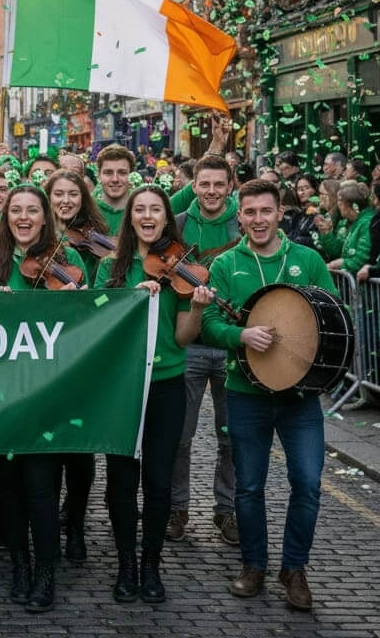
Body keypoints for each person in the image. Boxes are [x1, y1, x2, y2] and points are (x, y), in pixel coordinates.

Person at [199, 180, 337, 611]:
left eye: (265, 211)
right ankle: (253, 565)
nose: (258, 219)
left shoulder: (308, 260)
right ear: (239, 217)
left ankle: (294, 568)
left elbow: (333, 318)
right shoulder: (225, 264)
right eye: (250, 212)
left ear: (280, 214)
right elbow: (208, 328)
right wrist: (240, 334)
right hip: (246, 393)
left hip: (300, 397)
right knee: (249, 487)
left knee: (309, 484)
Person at [0, 183, 89, 612]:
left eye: (32, 211)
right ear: (6, 217)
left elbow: (86, 326)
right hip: (3, 393)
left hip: (48, 391)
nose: (23, 218)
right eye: (15, 210)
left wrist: (81, 305)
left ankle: (45, 571)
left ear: (45, 217)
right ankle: (19, 564)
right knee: (7, 487)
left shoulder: (70, 260)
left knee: (42, 485)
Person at [94, 186, 211, 604]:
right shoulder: (110, 267)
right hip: (121, 385)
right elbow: (96, 328)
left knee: (158, 481)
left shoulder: (181, 268)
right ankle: (125, 564)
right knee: (120, 481)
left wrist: (196, 308)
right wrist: (129, 299)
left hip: (166, 383)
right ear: (129, 219)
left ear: (166, 219)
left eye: (155, 210)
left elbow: (182, 339)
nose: (147, 216)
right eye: (139, 209)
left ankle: (151, 565)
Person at [164, 154, 240, 546]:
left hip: (231, 345)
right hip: (189, 344)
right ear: (193, 185)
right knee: (181, 434)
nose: (211, 191)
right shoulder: (177, 223)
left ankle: (226, 511)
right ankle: (178, 508)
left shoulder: (243, 224)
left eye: (219, 185)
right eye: (204, 184)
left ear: (230, 186)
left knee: (231, 438)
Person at [44, 168, 109, 283]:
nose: (66, 200)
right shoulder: (38, 234)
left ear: (82, 198)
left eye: (73, 194)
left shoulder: (93, 235)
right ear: (49, 197)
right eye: (58, 194)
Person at [325, 181, 375, 275]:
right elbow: (339, 251)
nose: (338, 205)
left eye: (341, 201)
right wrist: (326, 233)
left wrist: (339, 264)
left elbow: (361, 260)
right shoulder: (354, 222)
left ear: (353, 205)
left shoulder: (366, 223)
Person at [93, 145, 136, 235]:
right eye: (108, 173)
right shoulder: (88, 209)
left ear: (131, 176)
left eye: (122, 173)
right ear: (99, 175)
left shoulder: (143, 208)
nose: (115, 179)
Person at [286, 174, 321, 248]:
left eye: (306, 188)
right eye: (299, 189)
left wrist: (297, 240)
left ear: (315, 189)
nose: (302, 192)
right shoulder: (297, 215)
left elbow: (319, 240)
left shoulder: (322, 212)